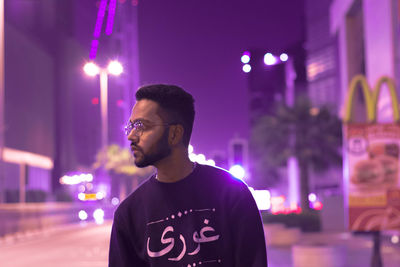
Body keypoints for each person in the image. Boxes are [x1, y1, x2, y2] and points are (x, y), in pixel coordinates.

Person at [108, 84, 268, 267]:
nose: (131, 136)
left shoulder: (231, 193)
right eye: (131, 126)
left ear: (175, 134)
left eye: (142, 126)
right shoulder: (129, 213)